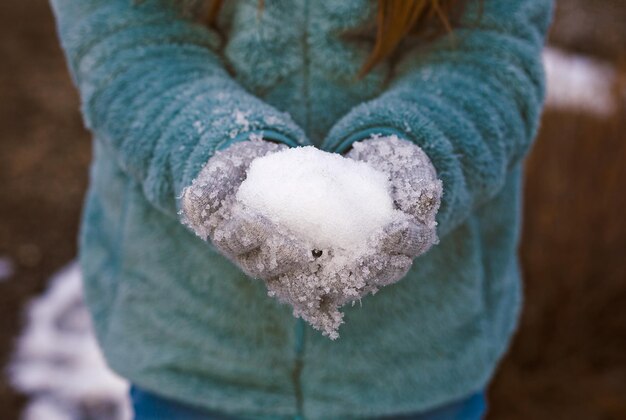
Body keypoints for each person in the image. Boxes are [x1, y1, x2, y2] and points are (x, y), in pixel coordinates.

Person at [49, 0, 553, 418]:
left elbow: (491, 53)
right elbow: (129, 42)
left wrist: (418, 149)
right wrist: (211, 145)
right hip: (189, 349)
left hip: (420, 359)